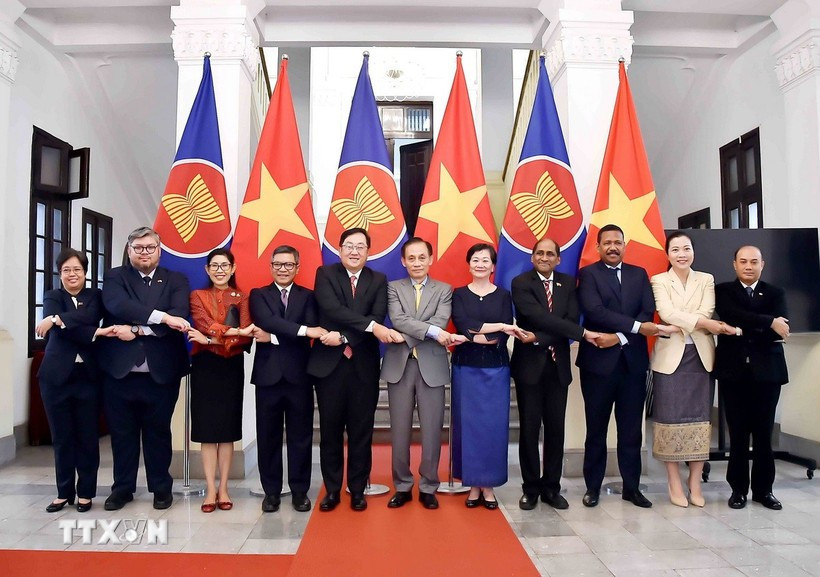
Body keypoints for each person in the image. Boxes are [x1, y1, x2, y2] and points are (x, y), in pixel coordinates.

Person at [576, 223, 673, 508]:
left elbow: (647, 311)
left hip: (632, 364)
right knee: (596, 429)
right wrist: (633, 328)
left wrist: (619, 336)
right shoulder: (588, 274)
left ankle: (632, 487)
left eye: (617, 242)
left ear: (624, 245)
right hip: (597, 365)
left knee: (631, 430)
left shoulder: (639, 274)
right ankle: (592, 487)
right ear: (598, 247)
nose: (612, 247)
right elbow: (594, 311)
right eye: (607, 242)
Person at [98, 227, 191, 511]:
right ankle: (122, 489)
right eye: (138, 248)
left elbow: (180, 316)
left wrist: (138, 329)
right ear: (129, 251)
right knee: (122, 433)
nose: (144, 253)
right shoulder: (116, 276)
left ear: (159, 251)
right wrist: (160, 317)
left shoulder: (176, 279)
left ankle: (161, 488)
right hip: (119, 372)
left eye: (150, 248)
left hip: (161, 371)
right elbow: (118, 306)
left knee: (158, 432)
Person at [307, 227, 396, 512]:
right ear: (340, 249)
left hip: (363, 367)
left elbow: (378, 314)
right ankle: (332, 490)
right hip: (329, 367)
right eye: (349, 246)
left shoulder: (379, 280)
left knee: (361, 432)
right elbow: (332, 309)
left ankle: (357, 489)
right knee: (330, 432)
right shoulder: (325, 274)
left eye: (360, 246)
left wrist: (345, 336)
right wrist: (369, 327)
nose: (354, 251)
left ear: (368, 251)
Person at [511, 238, 599, 511]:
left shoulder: (568, 284)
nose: (545, 257)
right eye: (540, 253)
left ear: (558, 259)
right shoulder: (521, 283)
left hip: (558, 368)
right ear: (532, 257)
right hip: (529, 368)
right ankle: (530, 488)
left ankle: (552, 488)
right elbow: (537, 315)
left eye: (551, 254)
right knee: (528, 430)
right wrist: (575, 334)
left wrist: (538, 337)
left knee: (556, 431)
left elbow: (570, 321)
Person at [650, 231, 735, 508]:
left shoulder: (706, 279)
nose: (681, 254)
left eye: (686, 249)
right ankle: (674, 481)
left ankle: (695, 481)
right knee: (669, 420)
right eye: (675, 250)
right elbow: (666, 313)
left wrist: (696, 322)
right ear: (668, 254)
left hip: (700, 356)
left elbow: (708, 311)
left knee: (699, 420)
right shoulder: (659, 280)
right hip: (670, 360)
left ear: (693, 252)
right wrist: (701, 322)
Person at [381, 237, 463, 510]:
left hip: (433, 366)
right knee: (399, 431)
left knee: (431, 430)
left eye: (421, 257)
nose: (416, 263)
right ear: (404, 261)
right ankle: (402, 485)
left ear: (430, 259)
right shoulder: (393, 288)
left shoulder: (445, 289)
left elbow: (440, 322)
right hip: (399, 367)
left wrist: (412, 335)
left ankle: (429, 486)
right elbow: (398, 319)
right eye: (411, 258)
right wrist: (432, 333)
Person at [35, 249, 115, 513]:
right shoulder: (52, 296)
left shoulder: (95, 296)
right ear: (60, 273)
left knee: (87, 437)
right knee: (62, 437)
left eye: (77, 269)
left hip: (88, 377)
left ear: (85, 272)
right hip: (56, 378)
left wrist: (57, 319)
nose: (72, 274)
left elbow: (89, 317)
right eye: (67, 270)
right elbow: (83, 327)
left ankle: (86, 493)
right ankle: (63, 492)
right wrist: (96, 333)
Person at [249, 245, 327, 514]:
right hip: (267, 376)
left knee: (300, 436)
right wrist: (303, 331)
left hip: (300, 376)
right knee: (267, 436)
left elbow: (282, 328)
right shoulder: (258, 295)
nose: (283, 269)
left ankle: (300, 491)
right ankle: (271, 492)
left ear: (297, 267)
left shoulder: (309, 296)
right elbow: (266, 320)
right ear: (271, 266)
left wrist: (272, 335)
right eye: (278, 264)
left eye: (288, 265)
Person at [714, 245, 789, 511]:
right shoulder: (723, 291)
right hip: (733, 373)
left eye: (754, 261)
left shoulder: (775, 292)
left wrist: (744, 329)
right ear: (734, 264)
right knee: (737, 434)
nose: (748, 266)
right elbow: (730, 314)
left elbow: (780, 332)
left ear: (762, 264)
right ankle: (738, 490)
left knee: (763, 434)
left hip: (767, 374)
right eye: (743, 261)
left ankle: (764, 490)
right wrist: (768, 321)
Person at [185, 248, 254, 513]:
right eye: (214, 266)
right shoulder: (197, 296)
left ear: (233, 268)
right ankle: (210, 489)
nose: (220, 270)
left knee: (226, 431)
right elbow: (202, 323)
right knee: (206, 430)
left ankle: (224, 488)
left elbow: (245, 336)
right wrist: (229, 333)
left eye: (225, 265)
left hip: (231, 366)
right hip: (205, 366)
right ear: (207, 269)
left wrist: (214, 338)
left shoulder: (243, 297)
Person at [451, 243, 517, 509]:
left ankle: (488, 486)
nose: (480, 264)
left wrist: (479, 335)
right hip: (465, 368)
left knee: (492, 428)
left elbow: (496, 339)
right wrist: (499, 327)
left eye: (485, 260)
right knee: (468, 427)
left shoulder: (503, 295)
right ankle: (473, 485)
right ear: (469, 264)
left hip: (496, 369)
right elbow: (463, 325)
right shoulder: (458, 294)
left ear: (493, 266)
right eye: (475, 259)